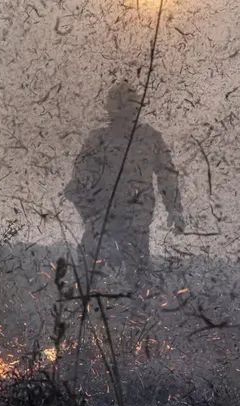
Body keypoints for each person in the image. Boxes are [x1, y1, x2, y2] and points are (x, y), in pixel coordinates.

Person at [64, 81, 185, 292]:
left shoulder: (149, 138)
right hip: (105, 226)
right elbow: (76, 188)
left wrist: (174, 209)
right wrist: (93, 219)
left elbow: (167, 175)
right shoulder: (99, 139)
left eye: (128, 107)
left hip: (131, 226)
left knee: (137, 289)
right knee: (87, 288)